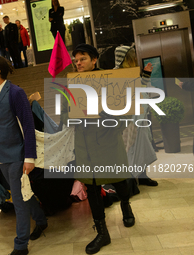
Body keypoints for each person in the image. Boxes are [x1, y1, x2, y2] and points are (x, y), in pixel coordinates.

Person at [63, 44, 135, 254]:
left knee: (119, 179)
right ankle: (102, 232)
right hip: (84, 145)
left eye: (83, 59)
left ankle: (125, 205)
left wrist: (111, 117)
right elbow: (67, 115)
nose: (78, 63)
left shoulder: (111, 80)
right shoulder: (73, 84)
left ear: (94, 60)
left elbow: (127, 113)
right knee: (92, 188)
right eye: (76, 60)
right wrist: (70, 118)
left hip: (107, 140)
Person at [0, 56, 47, 255]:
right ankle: (41, 221)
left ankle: (21, 245)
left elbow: (28, 125)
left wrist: (29, 157)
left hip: (17, 155)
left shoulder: (16, 93)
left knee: (17, 199)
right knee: (21, 195)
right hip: (0, 156)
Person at [114, 45, 158, 187]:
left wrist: (145, 75)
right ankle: (131, 179)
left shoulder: (131, 73)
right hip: (126, 120)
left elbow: (140, 88)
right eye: (131, 56)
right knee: (129, 148)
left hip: (140, 118)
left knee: (142, 145)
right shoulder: (115, 75)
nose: (134, 58)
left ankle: (143, 176)